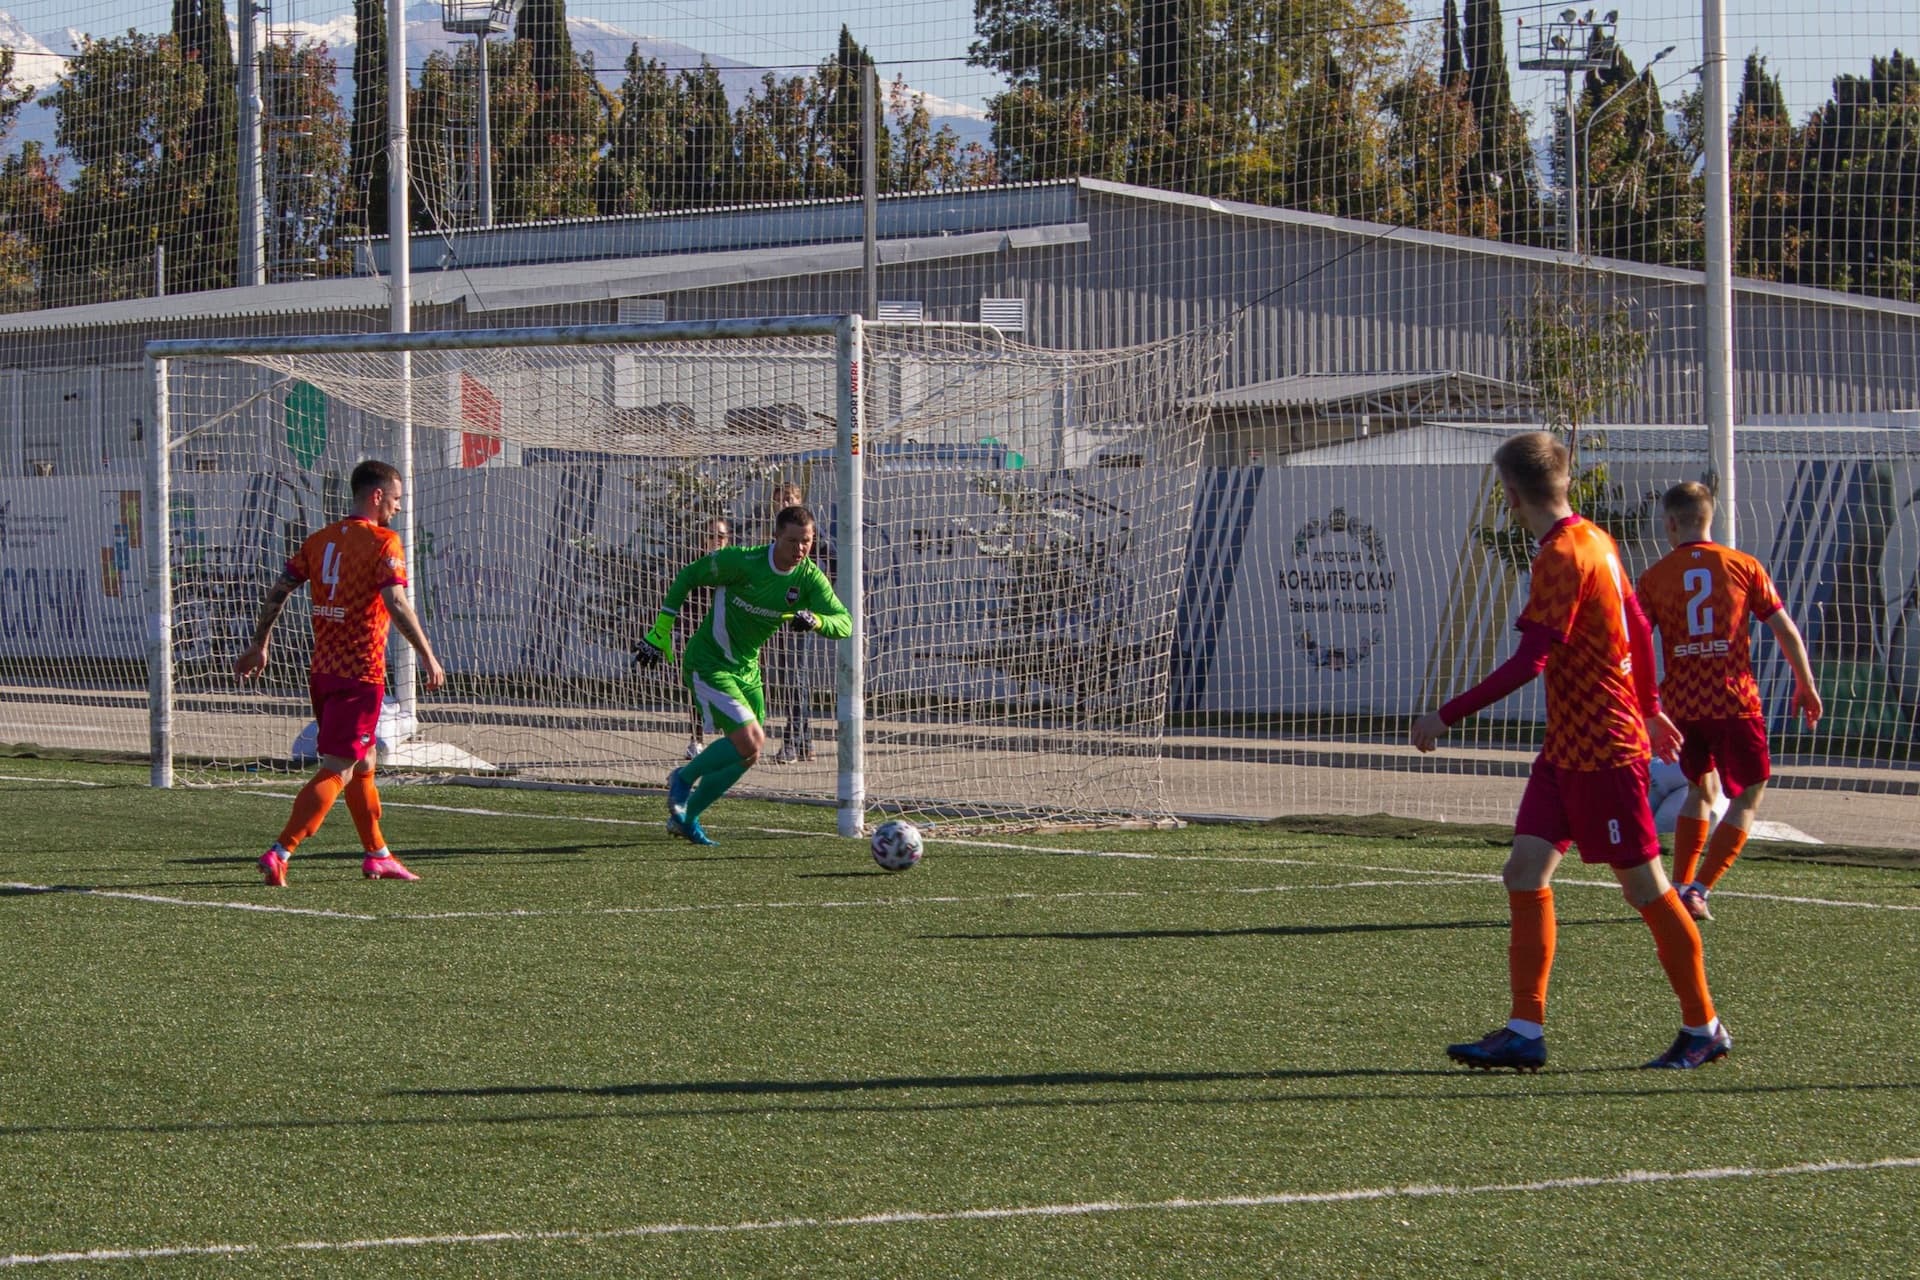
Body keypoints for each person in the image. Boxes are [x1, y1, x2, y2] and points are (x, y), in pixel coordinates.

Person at [1411, 431, 1729, 1071]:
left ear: (1508, 494)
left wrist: (1445, 715)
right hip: (1568, 749)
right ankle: (1525, 1031)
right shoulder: (1596, 538)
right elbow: (1638, 628)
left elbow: (1532, 661)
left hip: (1603, 752)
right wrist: (1650, 704)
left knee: (1646, 890)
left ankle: (1704, 1027)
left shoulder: (1561, 554)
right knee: (1523, 874)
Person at [235, 459, 447, 886]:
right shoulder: (383, 543)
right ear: (376, 496)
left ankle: (377, 853)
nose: (399, 508)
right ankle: (281, 850)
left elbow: (280, 589)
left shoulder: (321, 540)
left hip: (324, 672)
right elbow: (396, 603)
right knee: (339, 766)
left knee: (364, 760)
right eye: (396, 499)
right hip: (360, 675)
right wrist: (427, 654)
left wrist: (260, 643)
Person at [1637, 481, 1823, 921]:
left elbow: (1636, 644)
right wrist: (1805, 683)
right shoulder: (1743, 565)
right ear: (1710, 519)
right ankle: (1699, 888)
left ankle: (1678, 886)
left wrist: (1648, 707)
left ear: (1669, 524)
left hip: (1682, 706)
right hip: (1734, 700)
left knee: (1700, 789)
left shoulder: (1654, 577)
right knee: (1748, 795)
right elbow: (1784, 628)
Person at [634, 504, 850, 845]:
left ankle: (686, 820)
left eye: (807, 541)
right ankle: (683, 777)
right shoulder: (742, 561)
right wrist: (660, 631)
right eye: (793, 541)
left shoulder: (809, 577)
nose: (800, 550)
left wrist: (817, 620)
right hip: (709, 662)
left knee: (749, 754)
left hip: (748, 671)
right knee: (751, 739)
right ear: (775, 536)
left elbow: (845, 623)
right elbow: (689, 575)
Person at [759, 482, 819, 764]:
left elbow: (830, 560)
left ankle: (792, 742)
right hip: (770, 615)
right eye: (781, 499)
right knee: (786, 679)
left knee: (796, 680)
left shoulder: (806, 535)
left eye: (791, 498)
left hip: (798, 619)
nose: (786, 503)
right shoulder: (770, 538)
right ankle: (805, 741)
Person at [681, 516, 733, 760]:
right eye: (712, 535)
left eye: (721, 536)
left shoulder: (736, 566)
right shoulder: (696, 567)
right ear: (703, 540)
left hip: (729, 639)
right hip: (701, 637)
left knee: (729, 689)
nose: (716, 540)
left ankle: (731, 740)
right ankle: (696, 738)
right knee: (697, 688)